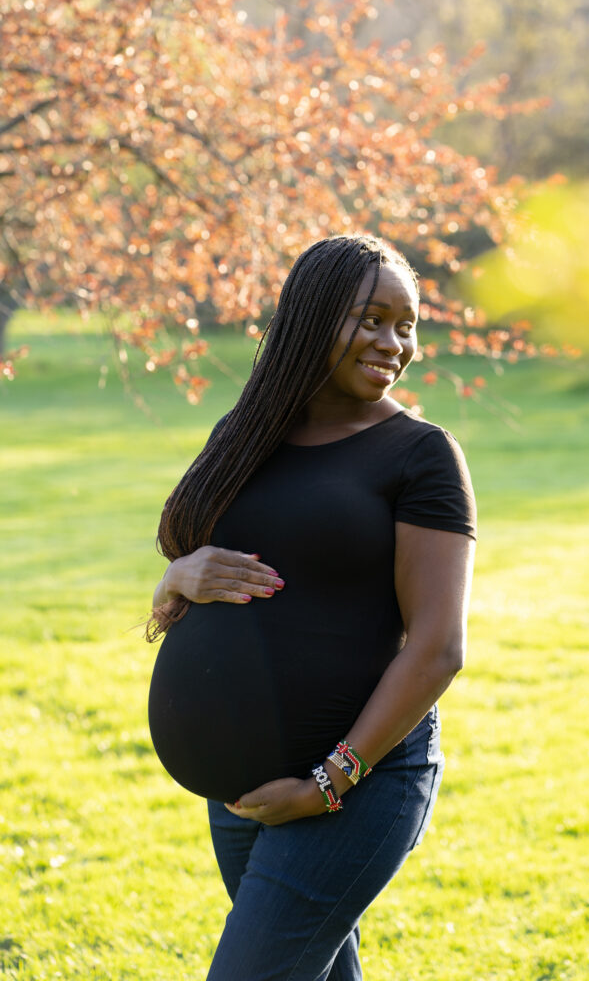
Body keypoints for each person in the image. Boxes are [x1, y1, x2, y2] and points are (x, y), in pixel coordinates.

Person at [147, 234, 477, 980]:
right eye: (371, 320)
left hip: (355, 784)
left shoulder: (420, 455)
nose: (393, 342)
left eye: (406, 324)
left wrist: (328, 782)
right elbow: (197, 564)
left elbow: (436, 646)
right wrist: (179, 575)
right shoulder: (244, 436)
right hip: (244, 788)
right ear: (312, 316)